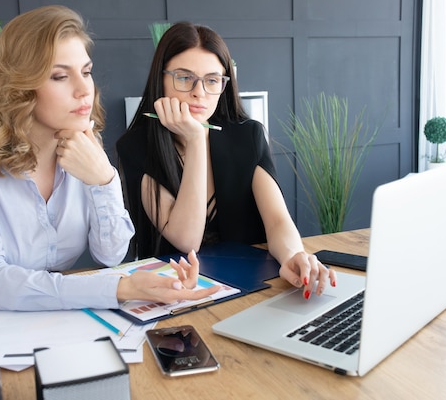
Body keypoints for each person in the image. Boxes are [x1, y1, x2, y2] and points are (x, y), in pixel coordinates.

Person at [0, 6, 219, 311]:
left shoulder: (83, 145)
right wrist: (118, 288)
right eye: (59, 76)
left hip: (58, 319)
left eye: (86, 72)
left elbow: (112, 255)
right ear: (19, 87)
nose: (84, 90)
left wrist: (103, 180)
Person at [117, 22, 336, 299]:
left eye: (212, 80)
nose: (200, 92)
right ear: (160, 79)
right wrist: (197, 140)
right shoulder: (135, 146)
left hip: (254, 289)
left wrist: (294, 255)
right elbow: (187, 241)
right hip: (175, 296)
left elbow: (278, 221)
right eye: (184, 78)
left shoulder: (248, 135)